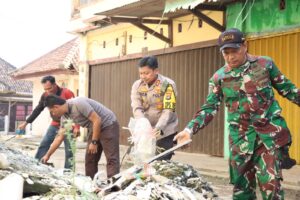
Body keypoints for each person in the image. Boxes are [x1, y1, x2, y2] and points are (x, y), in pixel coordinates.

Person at [174, 28, 300, 199]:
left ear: (245, 46)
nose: (231, 57)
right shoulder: (219, 77)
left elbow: (289, 90)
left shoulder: (265, 65)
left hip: (268, 137)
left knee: (271, 186)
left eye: (235, 51)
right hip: (240, 141)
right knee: (242, 191)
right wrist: (189, 130)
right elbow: (209, 108)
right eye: (226, 52)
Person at [41, 94, 120, 179]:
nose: (53, 114)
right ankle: (91, 184)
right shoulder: (65, 117)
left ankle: (113, 186)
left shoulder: (78, 103)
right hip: (94, 127)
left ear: (56, 107)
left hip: (108, 124)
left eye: (52, 111)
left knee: (111, 158)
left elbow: (97, 120)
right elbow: (59, 137)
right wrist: (47, 155)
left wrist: (94, 142)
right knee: (90, 159)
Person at [18, 75, 78, 169]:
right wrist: (26, 123)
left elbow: (76, 110)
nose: (48, 91)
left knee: (69, 150)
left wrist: (77, 127)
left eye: (49, 88)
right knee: (44, 143)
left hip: (68, 124)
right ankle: (36, 165)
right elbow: (38, 109)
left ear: (55, 84)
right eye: (45, 89)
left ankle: (68, 173)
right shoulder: (45, 95)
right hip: (55, 123)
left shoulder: (67, 93)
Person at [131, 56, 178, 160]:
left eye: (146, 73)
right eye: (141, 73)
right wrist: (142, 124)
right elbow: (136, 106)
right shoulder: (137, 85)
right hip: (145, 130)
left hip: (165, 130)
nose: (143, 76)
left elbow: (168, 110)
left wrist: (159, 127)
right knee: (144, 161)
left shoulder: (168, 85)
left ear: (156, 70)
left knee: (161, 161)